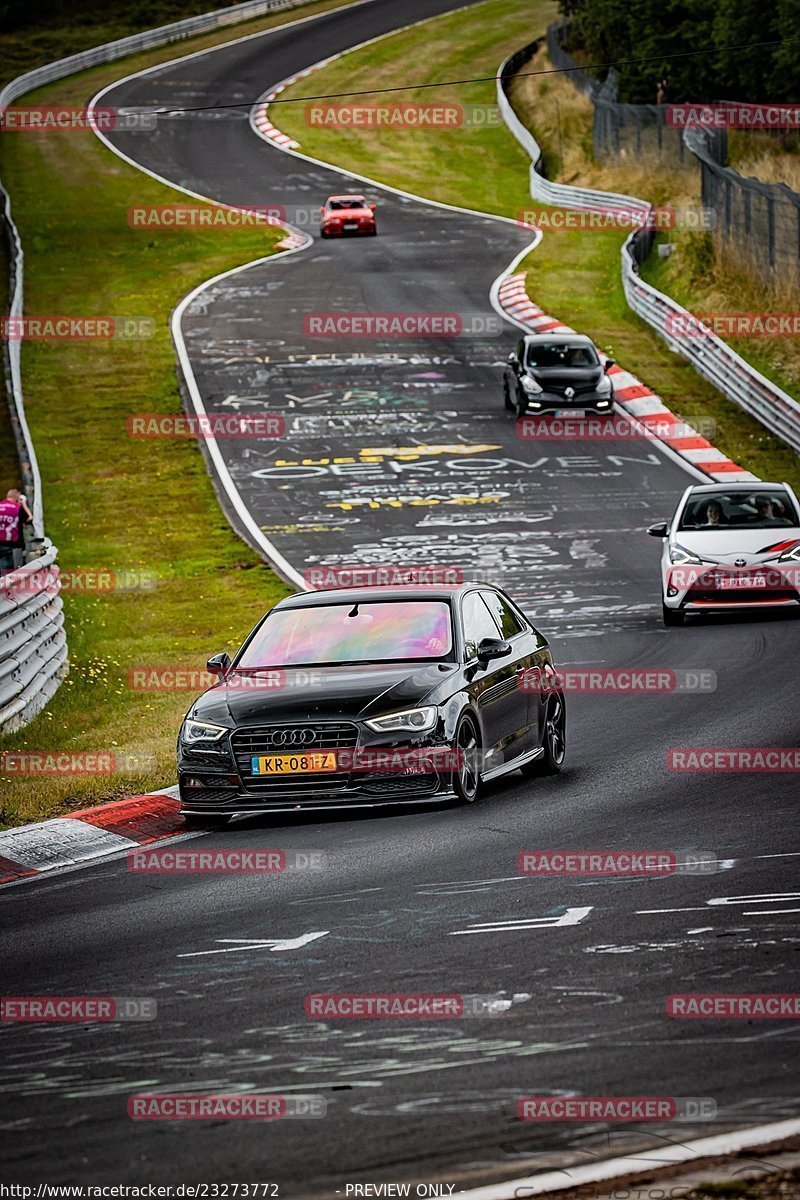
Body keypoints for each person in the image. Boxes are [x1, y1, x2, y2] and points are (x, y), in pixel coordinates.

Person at [0, 488, 33, 573]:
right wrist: (23, 504)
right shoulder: (17, 508)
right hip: (8, 544)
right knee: (6, 572)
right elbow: (29, 518)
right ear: (17, 498)